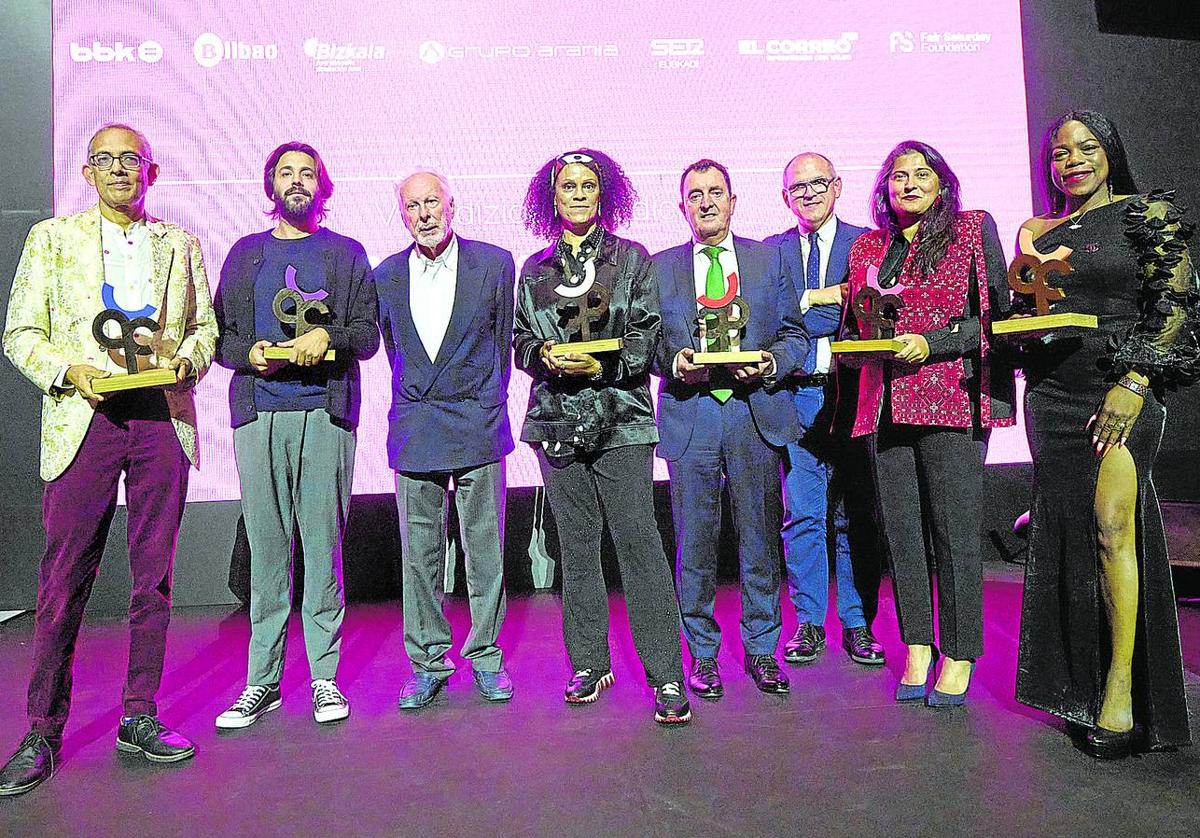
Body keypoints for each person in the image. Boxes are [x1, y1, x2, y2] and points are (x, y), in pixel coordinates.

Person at [0, 123, 217, 795]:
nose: (121, 169)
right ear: (88, 173)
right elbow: (20, 333)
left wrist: (187, 359)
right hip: (84, 414)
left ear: (152, 173)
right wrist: (71, 373)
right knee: (64, 578)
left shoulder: (180, 244)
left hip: (160, 417)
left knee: (153, 577)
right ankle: (41, 728)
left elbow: (204, 328)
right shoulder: (51, 239)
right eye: (107, 160)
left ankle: (139, 715)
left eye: (134, 160)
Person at [1008, 111, 1197, 758]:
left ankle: (1120, 694)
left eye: (1087, 148)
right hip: (1053, 398)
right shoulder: (1037, 230)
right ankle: (1076, 685)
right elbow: (1027, 311)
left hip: (1122, 389)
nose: (1074, 161)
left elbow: (1175, 305)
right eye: (1061, 153)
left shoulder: (1149, 215)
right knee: (1070, 537)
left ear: (1110, 152)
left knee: (1115, 527)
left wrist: (1136, 382)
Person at [512, 149, 690, 725]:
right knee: (578, 549)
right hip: (557, 422)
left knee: (639, 544)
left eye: (590, 186)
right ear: (552, 197)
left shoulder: (632, 259)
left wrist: (599, 366)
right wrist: (545, 355)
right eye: (569, 186)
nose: (580, 194)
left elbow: (646, 332)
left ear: (605, 194)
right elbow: (518, 343)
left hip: (621, 419)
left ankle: (666, 674)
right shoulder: (533, 270)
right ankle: (589, 662)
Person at [212, 142, 378, 729]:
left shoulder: (345, 253)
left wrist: (325, 338)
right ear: (271, 187)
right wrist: (250, 352)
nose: (298, 182)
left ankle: (325, 679)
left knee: (322, 548)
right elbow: (220, 337)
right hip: (258, 415)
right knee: (267, 552)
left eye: (308, 173)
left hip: (325, 414)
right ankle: (263, 681)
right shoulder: (245, 254)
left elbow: (367, 336)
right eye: (287, 173)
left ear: (323, 187)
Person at [841, 140, 1014, 707]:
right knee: (903, 534)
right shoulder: (869, 245)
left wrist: (932, 343)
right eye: (897, 176)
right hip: (885, 403)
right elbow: (860, 325)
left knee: (954, 534)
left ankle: (960, 652)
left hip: (951, 400)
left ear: (943, 182)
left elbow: (994, 322)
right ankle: (918, 645)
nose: (908, 184)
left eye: (921, 174)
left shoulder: (970, 230)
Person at [653, 159, 810, 699]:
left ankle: (764, 649)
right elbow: (647, 342)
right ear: (682, 207)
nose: (706, 203)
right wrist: (676, 364)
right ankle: (701, 655)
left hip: (753, 413)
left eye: (715, 192)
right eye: (694, 195)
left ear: (734, 200)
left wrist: (769, 362)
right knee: (693, 544)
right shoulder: (659, 267)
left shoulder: (768, 261)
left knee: (760, 541)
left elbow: (795, 335)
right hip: (692, 413)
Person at [375, 171, 516, 709]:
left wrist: (486, 402)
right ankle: (429, 661)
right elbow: (394, 349)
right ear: (403, 215)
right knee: (421, 556)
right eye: (413, 206)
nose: (424, 213)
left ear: (451, 205)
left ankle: (486, 657)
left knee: (485, 553)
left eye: (432, 202)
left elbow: (502, 343)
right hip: (416, 427)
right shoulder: (385, 274)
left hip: (478, 423)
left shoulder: (495, 264)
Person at [763, 152, 884, 667]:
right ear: (785, 196)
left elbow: (867, 308)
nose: (808, 194)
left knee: (853, 514)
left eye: (818, 184)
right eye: (797, 188)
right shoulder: (771, 253)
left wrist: (811, 303)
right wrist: (819, 305)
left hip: (857, 394)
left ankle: (858, 624)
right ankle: (810, 621)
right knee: (804, 515)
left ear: (838, 186)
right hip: (795, 394)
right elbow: (775, 322)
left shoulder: (868, 242)